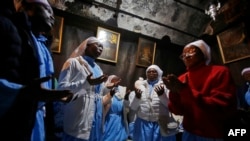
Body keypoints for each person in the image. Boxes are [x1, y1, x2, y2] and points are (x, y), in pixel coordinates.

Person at [0, 0, 73, 141]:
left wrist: (53, 97)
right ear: (30, 8)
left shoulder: (44, 46)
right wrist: (21, 92)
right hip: (13, 116)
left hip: (38, 115)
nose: (52, 17)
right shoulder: (13, 30)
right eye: (48, 11)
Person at [163, 40, 238, 141]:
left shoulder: (219, 72)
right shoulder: (181, 78)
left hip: (211, 133)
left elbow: (221, 106)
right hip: (188, 131)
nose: (186, 56)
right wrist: (174, 94)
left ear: (203, 54)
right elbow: (178, 111)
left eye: (191, 51)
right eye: (183, 54)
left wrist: (185, 91)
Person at [57, 36, 114, 141]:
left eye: (102, 47)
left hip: (95, 116)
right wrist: (86, 82)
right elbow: (61, 89)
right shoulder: (73, 62)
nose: (101, 49)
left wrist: (106, 88)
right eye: (98, 45)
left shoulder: (98, 69)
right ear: (86, 46)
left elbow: (93, 92)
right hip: (79, 115)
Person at [127, 64, 181, 141]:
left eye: (154, 71)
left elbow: (171, 106)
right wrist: (137, 98)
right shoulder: (140, 86)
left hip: (160, 124)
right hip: (142, 123)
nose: (151, 73)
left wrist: (162, 96)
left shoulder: (165, 86)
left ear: (158, 73)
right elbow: (133, 107)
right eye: (149, 71)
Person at [102, 75, 129, 141]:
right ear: (110, 80)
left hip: (119, 119)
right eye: (114, 79)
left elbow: (126, 106)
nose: (117, 81)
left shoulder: (121, 91)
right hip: (108, 117)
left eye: (117, 79)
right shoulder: (105, 89)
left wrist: (126, 98)